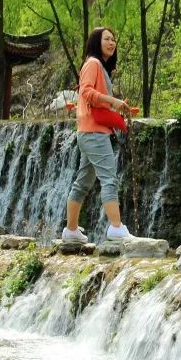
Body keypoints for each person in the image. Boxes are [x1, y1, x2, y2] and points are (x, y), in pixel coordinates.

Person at [62, 26, 137, 244]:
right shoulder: (93, 63)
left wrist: (115, 107)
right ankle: (116, 228)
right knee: (109, 179)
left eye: (113, 40)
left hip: (88, 132)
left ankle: (71, 231)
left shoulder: (98, 66)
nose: (112, 43)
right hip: (94, 133)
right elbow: (86, 91)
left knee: (83, 183)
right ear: (97, 42)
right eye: (107, 39)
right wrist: (113, 101)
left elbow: (94, 99)